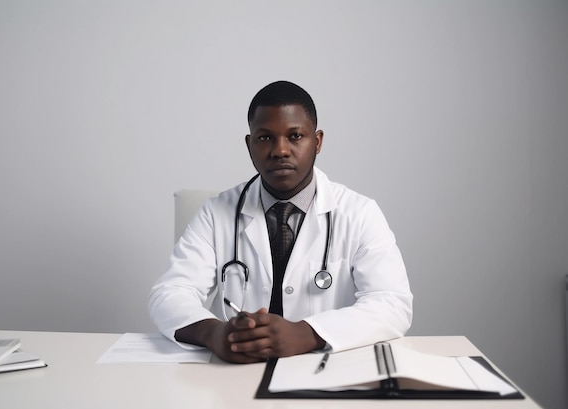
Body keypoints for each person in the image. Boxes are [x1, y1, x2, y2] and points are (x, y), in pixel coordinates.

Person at [149, 81, 412, 363]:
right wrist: (213, 333)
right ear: (249, 145)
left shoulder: (359, 213)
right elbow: (170, 293)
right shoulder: (216, 212)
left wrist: (307, 333)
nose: (280, 150)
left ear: (318, 141)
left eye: (295, 136)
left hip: (325, 375)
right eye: (265, 138)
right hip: (235, 379)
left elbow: (392, 303)